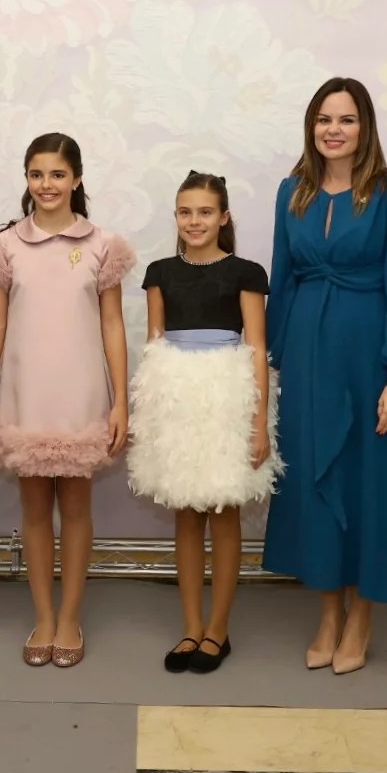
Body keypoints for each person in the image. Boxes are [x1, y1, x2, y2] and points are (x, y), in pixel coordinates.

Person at [262, 79, 387, 675]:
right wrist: (270, 361)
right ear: (311, 127)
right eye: (324, 119)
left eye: (348, 119)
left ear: (366, 129)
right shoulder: (293, 192)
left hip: (370, 360)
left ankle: (362, 618)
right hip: (309, 360)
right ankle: (328, 613)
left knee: (371, 486)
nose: (334, 129)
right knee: (314, 481)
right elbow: (282, 281)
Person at [0, 133, 133, 669]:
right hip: (25, 393)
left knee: (78, 509)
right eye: (37, 174)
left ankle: (70, 617)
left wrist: (119, 403)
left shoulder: (102, 245)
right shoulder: (4, 245)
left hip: (83, 393)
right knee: (36, 509)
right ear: (26, 178)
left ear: (77, 179)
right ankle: (42, 616)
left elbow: (112, 324)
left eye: (58, 175)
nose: (47, 185)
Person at [128, 170, 280, 674]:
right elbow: (154, 348)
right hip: (176, 400)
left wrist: (258, 422)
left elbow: (256, 350)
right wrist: (150, 419)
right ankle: (190, 628)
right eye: (185, 212)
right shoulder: (159, 272)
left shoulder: (247, 272)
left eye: (205, 212)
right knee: (185, 516)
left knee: (224, 513)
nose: (195, 221)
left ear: (224, 217)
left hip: (227, 399)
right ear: (176, 216)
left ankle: (219, 629)